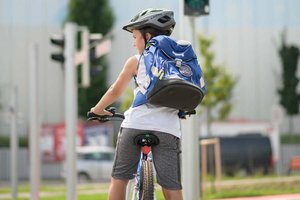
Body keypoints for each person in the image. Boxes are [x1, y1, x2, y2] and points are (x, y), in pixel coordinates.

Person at [90, 8, 183, 200]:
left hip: (135, 125)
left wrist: (98, 110)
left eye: (135, 37)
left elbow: (115, 91)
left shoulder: (136, 61)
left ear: (147, 36)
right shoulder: (178, 62)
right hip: (168, 130)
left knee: (120, 179)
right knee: (171, 185)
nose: (134, 44)